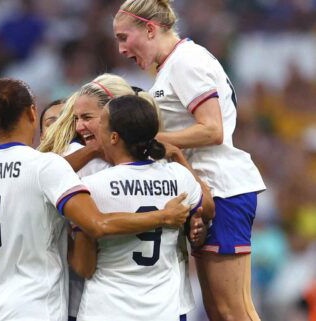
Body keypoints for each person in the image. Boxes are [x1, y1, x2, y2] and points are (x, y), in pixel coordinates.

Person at [0, 78, 191, 321]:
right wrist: (163, 216)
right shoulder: (44, 166)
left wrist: (3, 252)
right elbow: (97, 224)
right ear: (32, 113)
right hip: (33, 307)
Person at [113, 1, 266, 320]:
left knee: (233, 309)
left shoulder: (185, 62)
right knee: (218, 310)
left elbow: (212, 129)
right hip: (206, 190)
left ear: (150, 29)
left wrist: (153, 140)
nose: (121, 49)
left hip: (223, 187)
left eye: (125, 37)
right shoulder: (172, 65)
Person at [40, 73, 213, 320]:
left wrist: (75, 235)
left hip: (106, 307)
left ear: (113, 133)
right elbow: (207, 208)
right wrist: (178, 161)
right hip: (163, 308)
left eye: (90, 119)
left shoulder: (88, 185)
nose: (80, 126)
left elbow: (85, 265)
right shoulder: (175, 175)